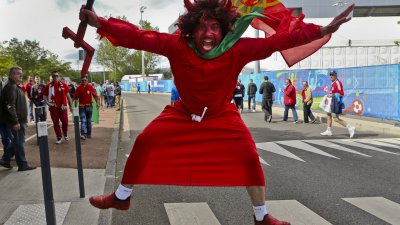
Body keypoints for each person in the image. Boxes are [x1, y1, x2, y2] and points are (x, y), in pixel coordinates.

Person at [80, 1, 354, 224]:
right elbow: (138, 37)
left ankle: (261, 217)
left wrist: (322, 30)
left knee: (248, 156)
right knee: (145, 141)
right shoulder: (175, 45)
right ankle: (122, 196)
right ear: (190, 30)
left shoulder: (238, 49)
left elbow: (280, 42)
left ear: (224, 30)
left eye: (214, 26)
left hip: (222, 114)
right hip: (183, 111)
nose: (208, 33)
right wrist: (100, 23)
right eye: (201, 27)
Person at [0, 67, 36, 171]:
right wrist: (15, 121)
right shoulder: (11, 87)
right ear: (12, 75)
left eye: (21, 73)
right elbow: (10, 106)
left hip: (20, 119)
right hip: (17, 120)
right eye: (18, 73)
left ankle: (5, 159)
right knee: (20, 142)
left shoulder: (14, 85)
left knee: (17, 141)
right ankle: (23, 165)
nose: (20, 75)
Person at [320, 70, 356, 138]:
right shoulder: (333, 83)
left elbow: (341, 94)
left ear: (335, 75)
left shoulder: (337, 83)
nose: (331, 76)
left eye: (332, 75)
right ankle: (328, 130)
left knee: (336, 119)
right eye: (330, 75)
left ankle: (350, 127)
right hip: (331, 102)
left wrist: (332, 95)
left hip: (335, 103)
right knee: (328, 115)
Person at [43, 71, 73, 144]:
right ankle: (59, 137)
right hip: (53, 108)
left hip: (63, 107)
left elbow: (68, 96)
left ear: (59, 77)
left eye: (57, 76)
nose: (55, 77)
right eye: (54, 76)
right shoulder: (48, 86)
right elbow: (44, 96)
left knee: (65, 122)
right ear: (52, 77)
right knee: (55, 123)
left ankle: (65, 133)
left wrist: (71, 106)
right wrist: (47, 103)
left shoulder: (64, 85)